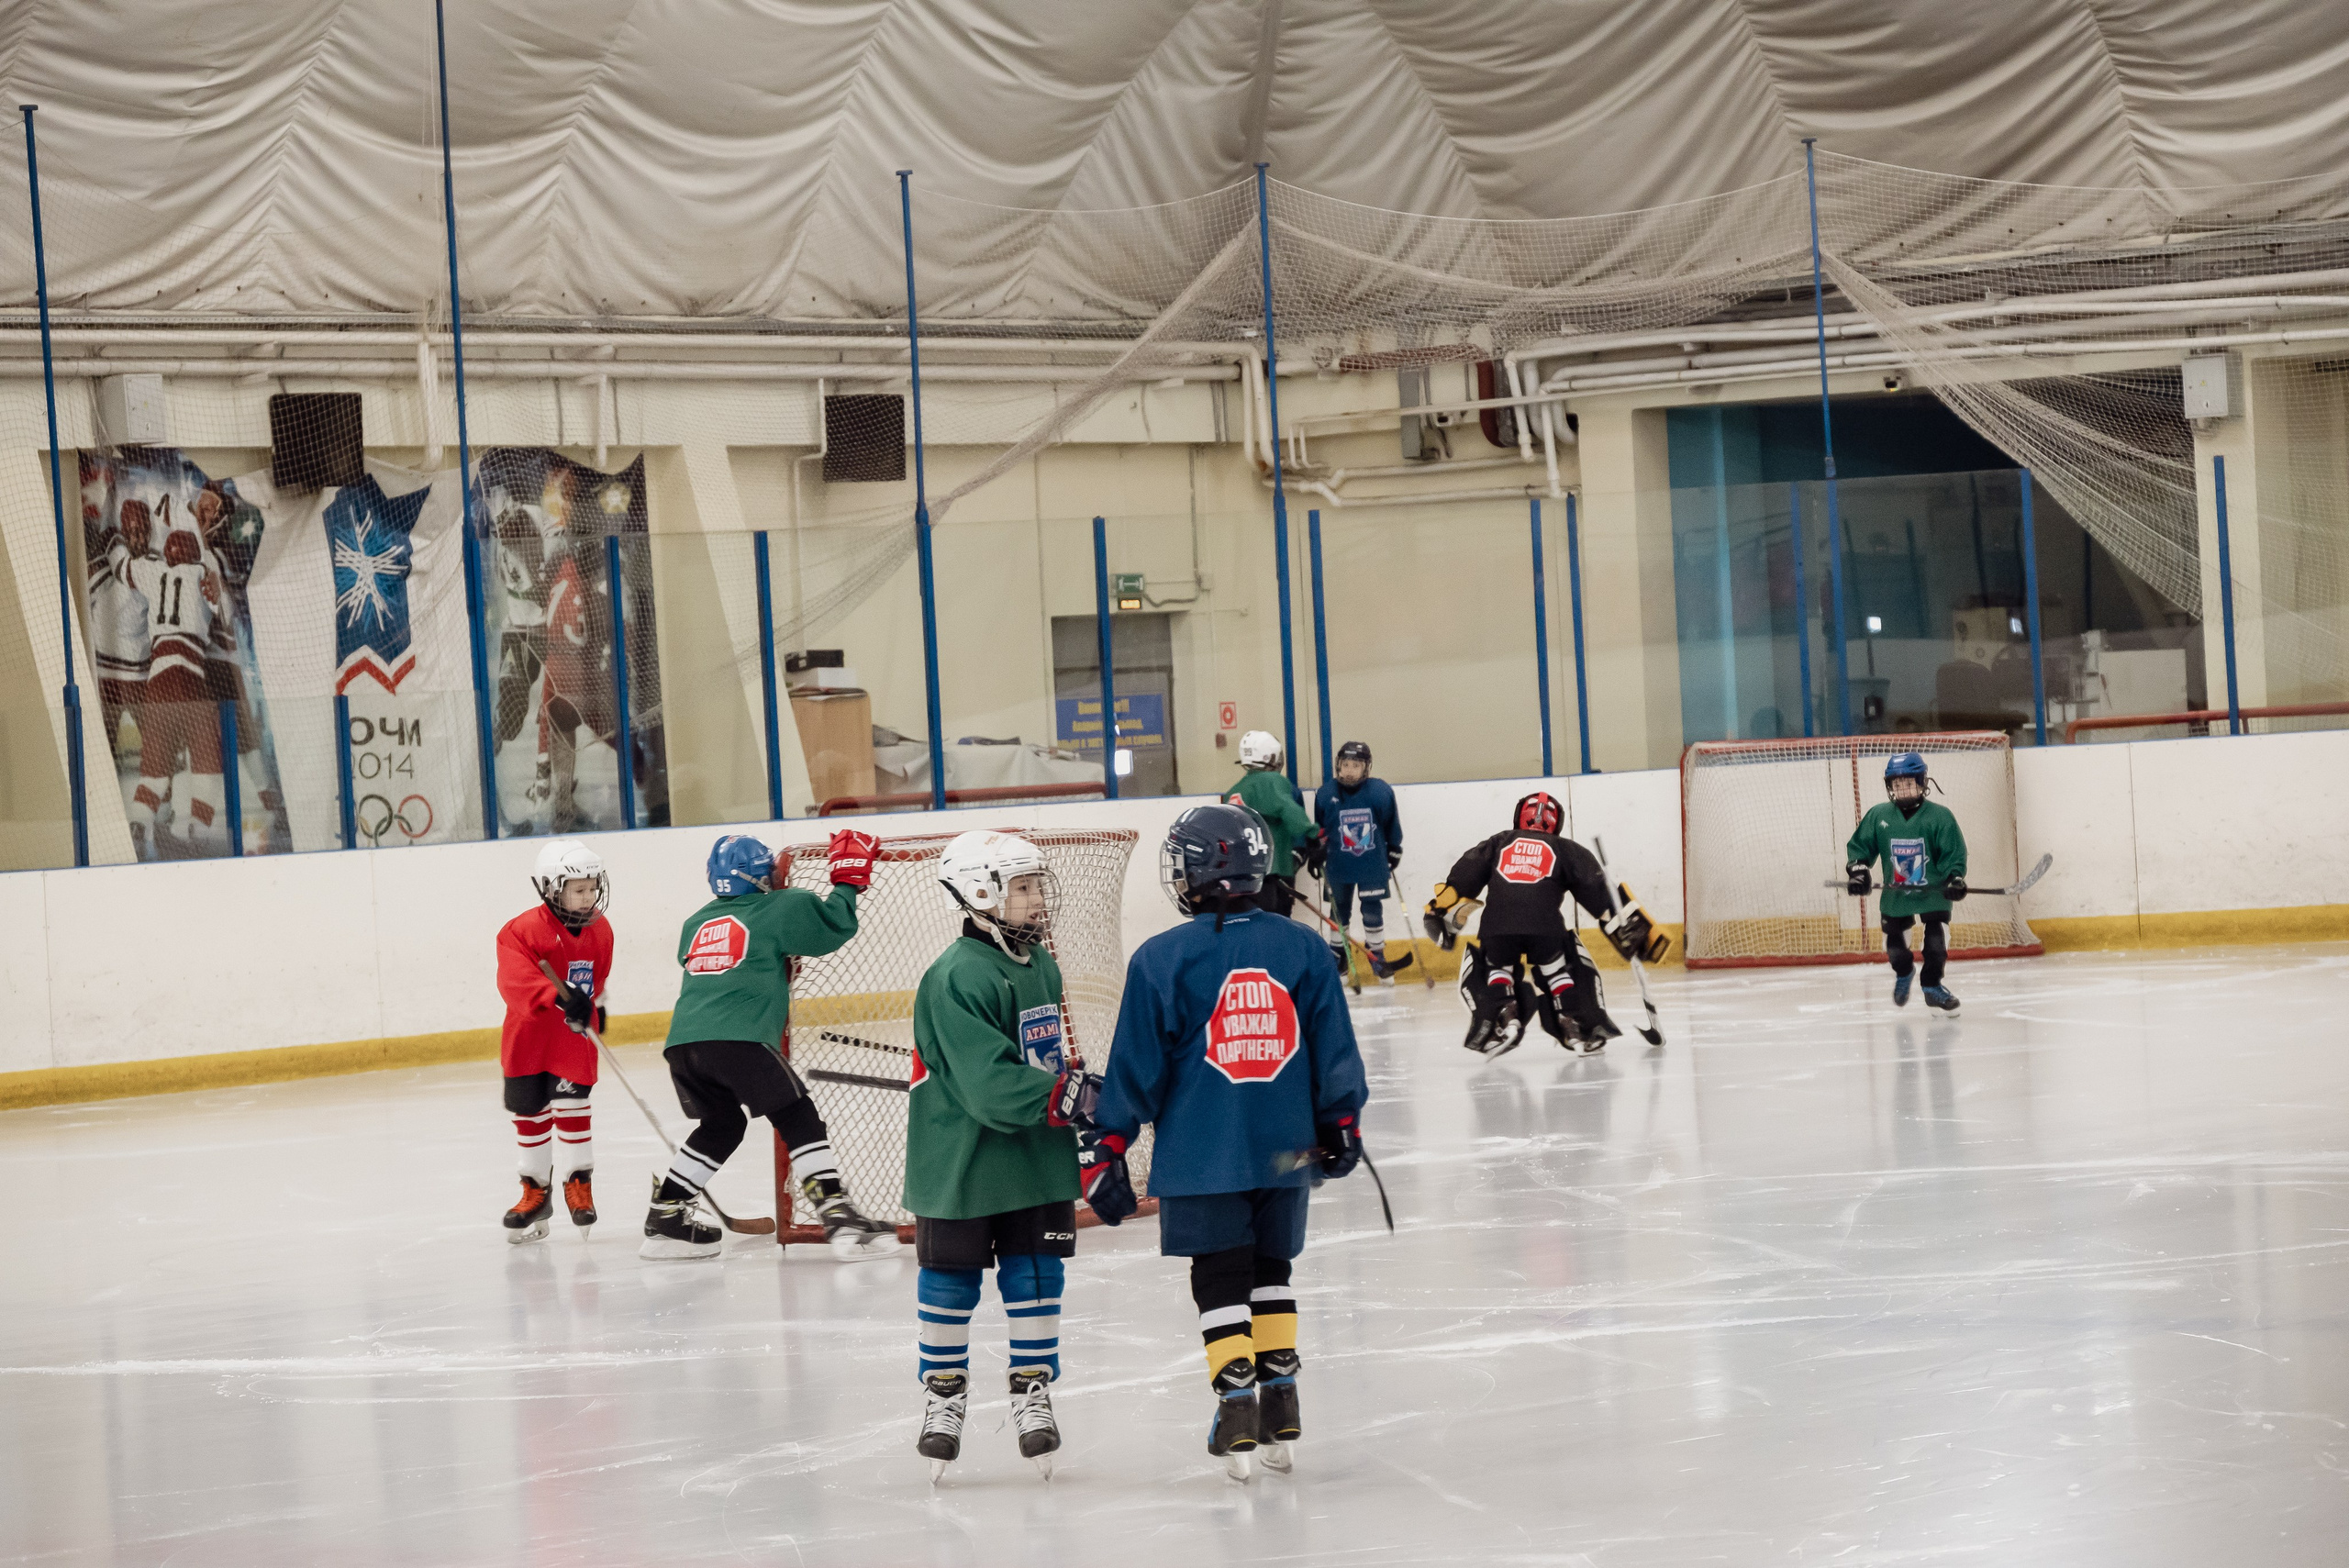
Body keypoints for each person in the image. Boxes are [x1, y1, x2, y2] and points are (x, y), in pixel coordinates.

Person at [1093, 803, 1369, 1479]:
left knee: (1219, 1274)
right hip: (1286, 1149)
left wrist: (1110, 1144)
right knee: (1272, 1267)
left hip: (1203, 1152)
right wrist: (1343, 1119)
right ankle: (1283, 1396)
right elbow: (1333, 1044)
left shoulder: (1160, 958)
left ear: (1197, 871)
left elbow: (1136, 1069)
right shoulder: (1302, 946)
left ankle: (1238, 1403)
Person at [904, 830, 1104, 1480]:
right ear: (980, 893)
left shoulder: (1039, 963)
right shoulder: (957, 975)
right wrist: (1063, 1095)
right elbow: (989, 1085)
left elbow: (1040, 1054)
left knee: (1036, 1271)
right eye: (1022, 887)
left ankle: (1031, 1387)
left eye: (1036, 884)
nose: (1037, 898)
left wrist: (1070, 1090)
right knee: (950, 1277)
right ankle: (944, 1395)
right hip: (962, 1159)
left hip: (1034, 1155)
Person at [643, 829, 899, 1260]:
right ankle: (837, 1212)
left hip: (684, 1044)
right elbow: (833, 928)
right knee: (797, 1114)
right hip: (737, 1038)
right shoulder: (781, 906)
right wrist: (847, 884)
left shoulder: (695, 923)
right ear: (760, 876)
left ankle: (666, 1213)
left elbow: (731, 961)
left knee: (722, 1126)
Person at [1424, 792, 1661, 1057]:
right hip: (1545, 928)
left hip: (1498, 926)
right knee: (1558, 970)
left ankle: (1502, 1016)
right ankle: (1576, 1027)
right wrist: (1623, 922)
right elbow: (1598, 893)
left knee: (1496, 965)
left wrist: (1441, 907)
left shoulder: (1498, 842)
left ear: (1519, 817)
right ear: (1555, 823)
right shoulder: (1566, 848)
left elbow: (1464, 876)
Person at [493, 840, 614, 1240]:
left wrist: (597, 1004)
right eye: (579, 890)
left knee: (573, 1106)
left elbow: (597, 977)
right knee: (529, 1112)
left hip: (571, 1038)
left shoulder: (600, 930)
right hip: (527, 1039)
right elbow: (514, 981)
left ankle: (579, 1185)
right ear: (551, 889)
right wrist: (556, 996)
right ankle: (535, 1191)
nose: (589, 897)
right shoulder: (522, 930)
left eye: (592, 887)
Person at [1845, 751, 1967, 1013]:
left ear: (1922, 782)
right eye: (1897, 784)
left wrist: (1954, 878)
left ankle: (1932, 987)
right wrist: (1858, 871)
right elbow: (1860, 848)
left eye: (1909, 783)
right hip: (1896, 896)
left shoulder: (1940, 816)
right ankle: (1904, 972)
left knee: (1936, 945)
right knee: (1896, 951)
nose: (1903, 789)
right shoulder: (1879, 815)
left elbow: (1952, 853)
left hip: (1933, 894)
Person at [1308, 740, 1405, 982]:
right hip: (1338, 864)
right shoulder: (1326, 793)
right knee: (1338, 909)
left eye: (1356, 765)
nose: (1349, 771)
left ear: (1366, 768)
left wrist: (1394, 848)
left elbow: (1391, 823)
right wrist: (1316, 848)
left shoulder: (1380, 792)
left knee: (1372, 909)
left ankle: (1377, 955)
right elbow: (1320, 828)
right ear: (1338, 766)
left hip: (1371, 862)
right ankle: (1339, 956)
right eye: (1345, 765)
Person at [1223, 729, 1319, 917]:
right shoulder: (1272, 781)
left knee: (1253, 921)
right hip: (1274, 870)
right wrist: (1312, 835)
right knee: (1278, 922)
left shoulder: (1233, 792)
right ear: (1271, 757)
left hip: (1244, 876)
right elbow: (1289, 810)